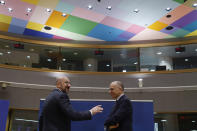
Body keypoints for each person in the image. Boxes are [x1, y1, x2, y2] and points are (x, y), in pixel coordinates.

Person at [39, 76, 103, 131]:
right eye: (66, 82)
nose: (69, 85)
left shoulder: (49, 97)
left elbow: (41, 118)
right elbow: (73, 115)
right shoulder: (61, 96)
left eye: (69, 83)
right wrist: (91, 112)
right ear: (58, 84)